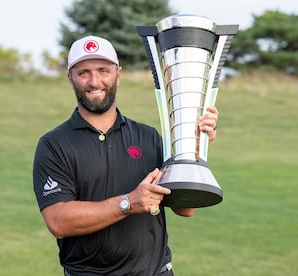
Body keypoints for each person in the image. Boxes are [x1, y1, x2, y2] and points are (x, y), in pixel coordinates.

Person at [33, 35, 219, 275]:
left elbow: (186, 209)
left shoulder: (148, 137)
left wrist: (194, 148)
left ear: (118, 75)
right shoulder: (54, 145)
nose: (94, 81)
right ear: (70, 78)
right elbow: (58, 221)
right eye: (83, 72)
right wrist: (129, 203)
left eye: (103, 70)